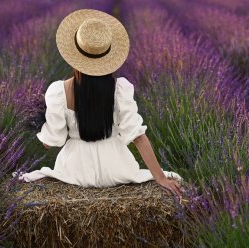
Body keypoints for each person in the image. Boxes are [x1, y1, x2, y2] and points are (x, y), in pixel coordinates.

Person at [13, 9, 184, 197]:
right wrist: (160, 178)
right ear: (108, 56)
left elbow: (54, 140)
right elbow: (137, 136)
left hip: (75, 171)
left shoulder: (59, 92)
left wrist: (42, 128)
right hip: (116, 168)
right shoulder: (120, 89)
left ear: (74, 56)